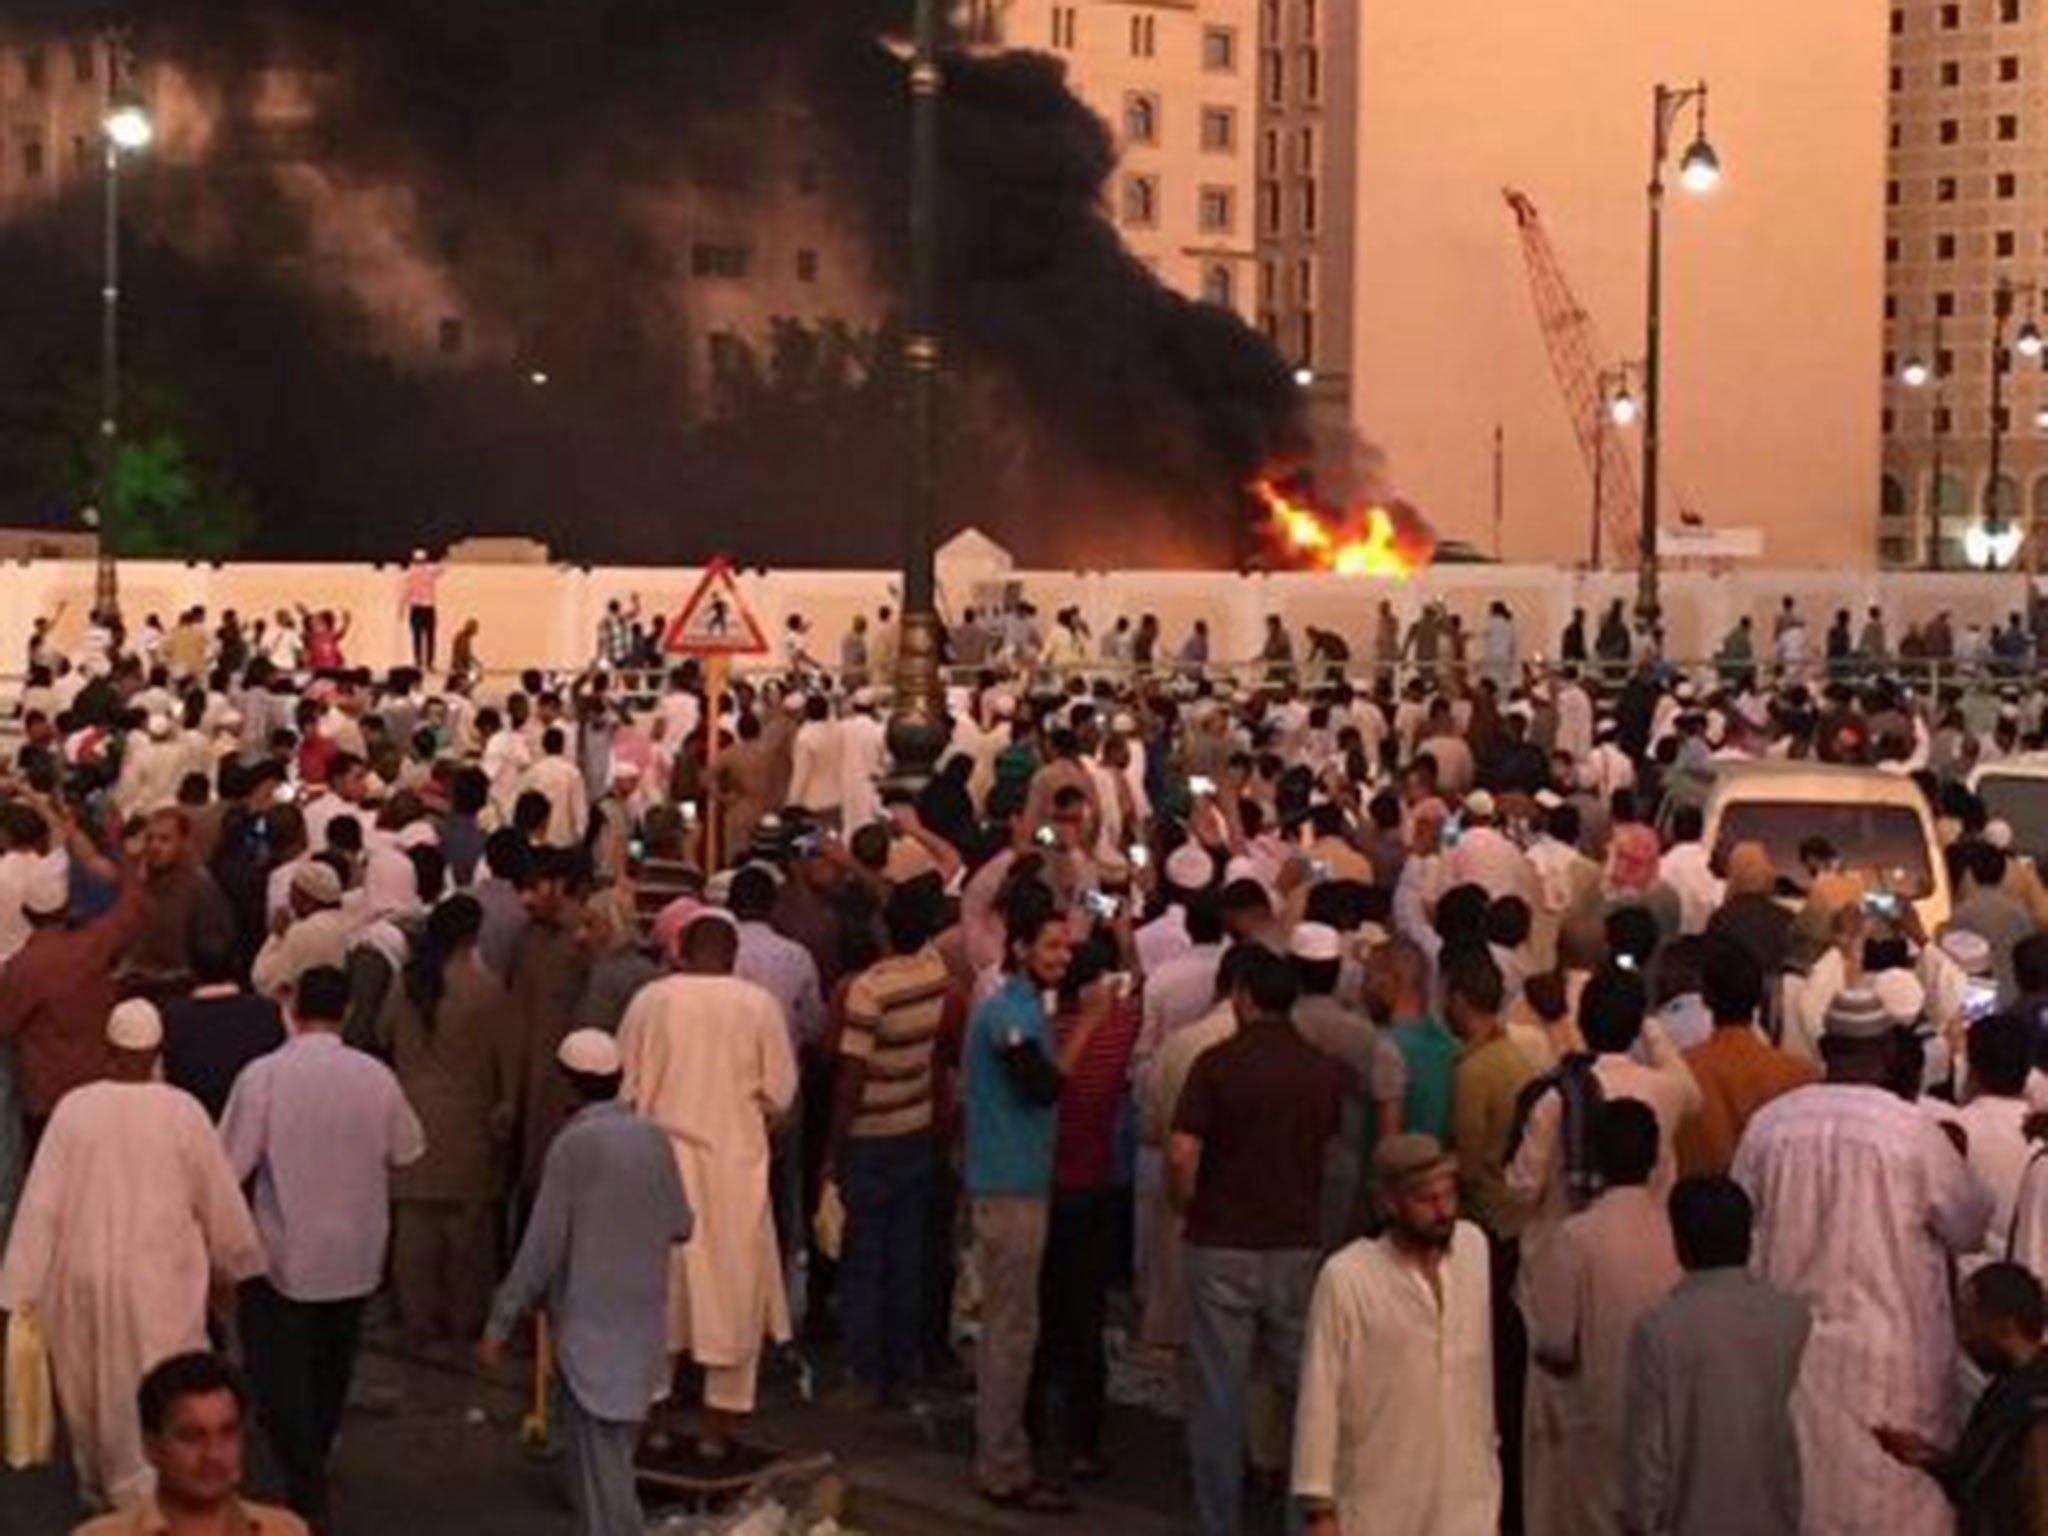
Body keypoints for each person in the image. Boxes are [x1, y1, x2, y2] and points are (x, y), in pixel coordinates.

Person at [1733, 987, 1992, 1536]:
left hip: (1795, 1362)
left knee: (1804, 1502)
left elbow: (1740, 1236)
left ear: (1826, 1047)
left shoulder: (1770, 1126)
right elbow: (1969, 1227)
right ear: (1886, 1054)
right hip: (1893, 1367)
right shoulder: (1911, 1133)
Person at [0, 1000, 265, 1509]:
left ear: (109, 1049)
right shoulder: (182, 1111)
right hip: (160, 1282)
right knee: (159, 1391)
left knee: (93, 1391)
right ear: (156, 1052)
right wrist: (233, 1265)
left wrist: (20, 1288)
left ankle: (103, 1494)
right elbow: (217, 1199)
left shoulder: (75, 1108)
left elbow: (42, 1205)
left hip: (82, 1282)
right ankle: (155, 1496)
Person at [221, 965, 426, 1520]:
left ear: (291, 1009)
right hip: (356, 1250)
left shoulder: (263, 1076)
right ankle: (315, 1453)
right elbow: (407, 1148)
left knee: (281, 1369)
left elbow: (230, 1164)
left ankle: (303, 1468)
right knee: (333, 1363)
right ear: (349, 1013)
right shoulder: (375, 1078)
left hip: (284, 1249)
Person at [482, 1030, 693, 1536]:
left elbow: (541, 1246)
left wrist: (500, 1321)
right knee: (615, 1460)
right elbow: (682, 1223)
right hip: (641, 1326)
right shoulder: (653, 1137)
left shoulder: (573, 1146)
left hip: (587, 1328)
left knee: (599, 1478)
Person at [1169, 946, 1345, 1536]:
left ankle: (1219, 1521)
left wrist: (1184, 1201)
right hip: (1295, 1241)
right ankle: (1303, 1519)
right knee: (1302, 1398)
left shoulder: (1217, 1065)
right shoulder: (1321, 1069)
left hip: (1222, 1240)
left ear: (1242, 996)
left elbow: (1181, 1153)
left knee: (1219, 1396)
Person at [617, 912, 797, 1464]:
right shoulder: (757, 1006)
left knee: (657, 1298)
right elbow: (781, 1097)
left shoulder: (652, 1001)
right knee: (732, 1293)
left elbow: (624, 1086)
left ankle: (655, 1425)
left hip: (658, 1166)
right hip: (734, 1173)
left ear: (681, 952)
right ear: (734, 955)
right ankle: (719, 1433)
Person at [1291, 1134, 1498, 1536]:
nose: (1442, 1210)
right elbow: (1320, 1390)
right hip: (1379, 1500)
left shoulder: (1474, 1250)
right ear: (1389, 1203)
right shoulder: (1348, 1277)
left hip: (1466, 1496)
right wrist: (1319, 1507)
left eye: (1448, 1194)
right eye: (1426, 1199)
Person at [963, 904, 1100, 1511]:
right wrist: (1091, 1025)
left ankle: (1005, 1453)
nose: (1062, 957)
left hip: (1020, 1181)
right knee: (1011, 1332)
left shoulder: (1023, 1007)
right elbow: (1041, 1085)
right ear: (1020, 950)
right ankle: (1002, 1466)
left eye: (1066, 948)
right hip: (1009, 1188)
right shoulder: (1008, 1013)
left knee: (1014, 1327)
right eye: (1051, 947)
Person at [826, 879, 958, 1409]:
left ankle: (864, 1372)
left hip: (869, 1135)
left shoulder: (869, 989)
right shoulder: (934, 977)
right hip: (916, 1126)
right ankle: (902, 1367)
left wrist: (832, 1151)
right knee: (906, 1253)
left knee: (864, 1256)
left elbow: (851, 1073)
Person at [1621, 1176, 1812, 1536]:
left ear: (1679, 1240)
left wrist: (1638, 1522)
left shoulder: (1660, 1327)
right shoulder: (1790, 1316)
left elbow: (1648, 1456)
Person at [1525, 1101, 1681, 1536]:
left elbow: (1555, 1341)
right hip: (1668, 1419)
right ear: (1655, 1158)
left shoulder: (1576, 1237)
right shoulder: (1675, 1230)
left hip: (1597, 1418)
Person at [378, 894, 514, 1344]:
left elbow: (382, 1033)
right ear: (473, 935)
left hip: (411, 1118)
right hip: (468, 1122)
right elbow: (504, 1059)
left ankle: (418, 1316)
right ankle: (463, 1317)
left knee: (414, 1231)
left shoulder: (408, 983)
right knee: (467, 1235)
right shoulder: (487, 990)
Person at [1877, 1262, 2048, 1536]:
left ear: (2003, 1326)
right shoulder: (2006, 1390)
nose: (1963, 1340)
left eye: (1968, 1324)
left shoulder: (2037, 1400)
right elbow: (1979, 1478)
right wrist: (1924, 1456)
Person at [70, 1352, 309, 1536]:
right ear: (151, 1447)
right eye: (192, 1437)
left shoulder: (285, 1530)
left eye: (227, 1433)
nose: (213, 1454)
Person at [1674, 937, 1817, 1178]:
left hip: (1699, 1206)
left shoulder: (1681, 1071)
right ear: (1759, 997)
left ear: (1705, 998)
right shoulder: (1800, 1075)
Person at [158, 945, 287, 1121]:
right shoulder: (267, 1011)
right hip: (256, 1119)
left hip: (192, 1119)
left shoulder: (172, 1017)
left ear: (193, 971)